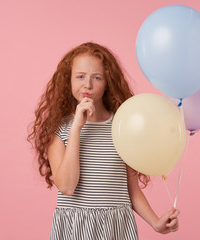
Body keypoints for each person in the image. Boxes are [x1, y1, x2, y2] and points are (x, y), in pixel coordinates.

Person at [28, 42, 180, 239]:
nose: (87, 84)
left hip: (115, 226)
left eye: (97, 77)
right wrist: (76, 128)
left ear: (108, 83)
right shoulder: (59, 129)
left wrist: (156, 223)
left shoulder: (122, 126)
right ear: (68, 80)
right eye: (80, 76)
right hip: (76, 227)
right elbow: (66, 186)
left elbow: (131, 191)